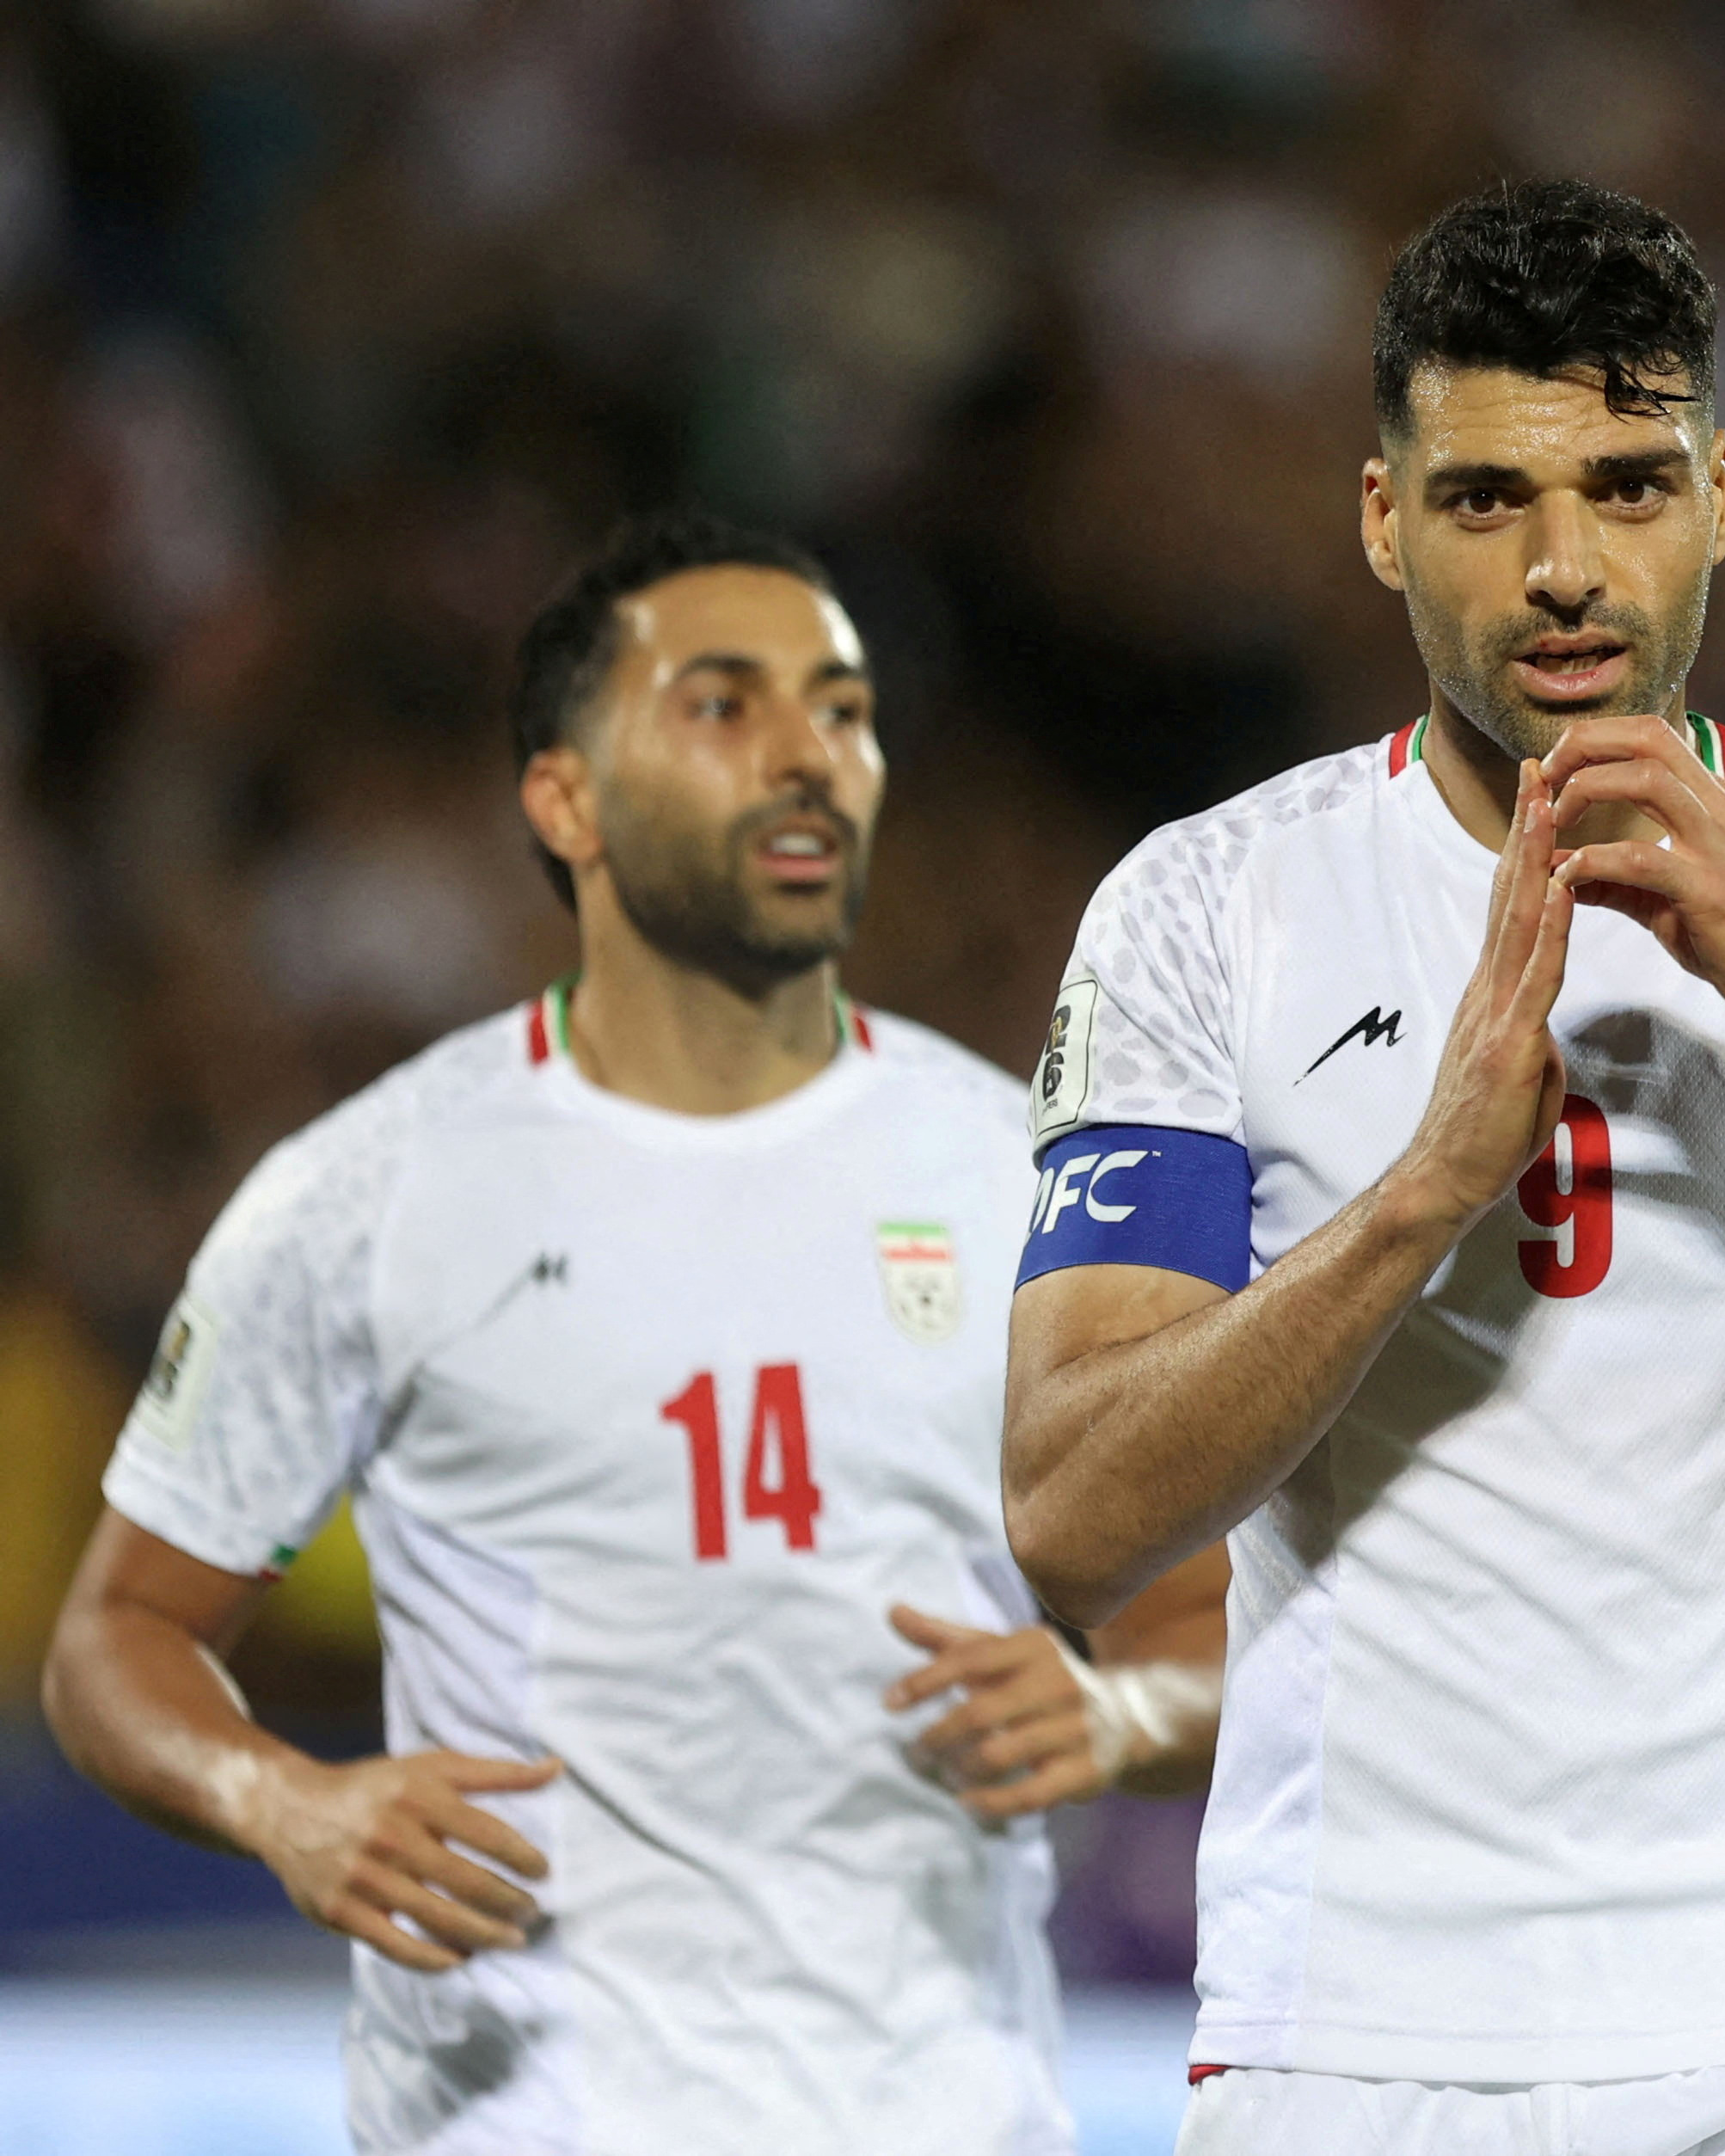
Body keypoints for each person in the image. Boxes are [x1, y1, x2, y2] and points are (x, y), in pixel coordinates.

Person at [998, 179, 1725, 2155]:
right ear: (1379, 519)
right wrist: (1422, 1192)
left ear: (1721, 497)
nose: (1564, 568)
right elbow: (1074, 1514)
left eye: (1624, 486)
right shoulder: (1209, 909)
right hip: (1346, 2045)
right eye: (1485, 500)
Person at [43, 512, 1228, 2156]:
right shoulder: (369, 1194)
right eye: (725, 706)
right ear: (564, 797)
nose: (809, 756)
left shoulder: (1019, 1184)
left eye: (841, 707)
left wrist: (1113, 1718)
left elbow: (1213, 1644)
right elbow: (115, 1641)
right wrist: (284, 1802)